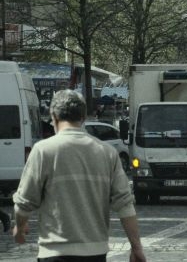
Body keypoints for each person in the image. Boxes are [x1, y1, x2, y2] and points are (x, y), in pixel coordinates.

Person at [12, 89, 145, 261]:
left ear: (53, 117)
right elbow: (125, 205)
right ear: (83, 118)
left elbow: (25, 202)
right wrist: (136, 248)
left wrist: (20, 228)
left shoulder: (43, 150)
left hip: (54, 252)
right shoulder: (107, 152)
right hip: (94, 252)